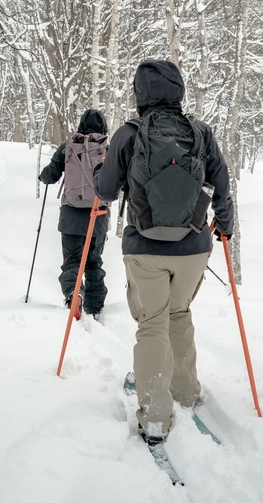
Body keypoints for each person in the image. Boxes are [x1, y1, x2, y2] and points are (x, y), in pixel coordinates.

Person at [92, 60, 234, 446]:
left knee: (152, 323)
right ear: (178, 90)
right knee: (179, 314)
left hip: (144, 249)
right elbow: (221, 182)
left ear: (141, 93)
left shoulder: (128, 133)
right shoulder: (200, 132)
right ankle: (185, 393)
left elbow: (104, 191)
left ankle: (156, 417)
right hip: (193, 248)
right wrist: (226, 225)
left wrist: (98, 174)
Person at [37, 109, 110, 316]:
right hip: (98, 214)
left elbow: (51, 176)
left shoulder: (68, 146)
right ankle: (95, 308)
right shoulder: (107, 149)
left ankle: (73, 293)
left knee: (72, 260)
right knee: (94, 261)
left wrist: (42, 177)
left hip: (71, 214)